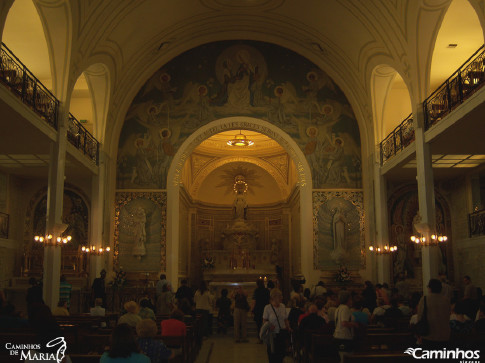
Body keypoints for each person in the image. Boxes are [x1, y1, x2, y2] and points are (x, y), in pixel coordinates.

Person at [417, 279, 450, 349]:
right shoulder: (446, 300)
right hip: (444, 335)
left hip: (429, 335)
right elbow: (448, 315)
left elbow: (419, 317)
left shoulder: (424, 299)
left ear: (430, 288)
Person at [262, 288, 289, 363]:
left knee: (281, 354)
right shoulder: (267, 308)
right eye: (280, 296)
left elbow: (285, 319)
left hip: (282, 333)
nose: (282, 298)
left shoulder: (283, 306)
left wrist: (288, 327)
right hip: (272, 335)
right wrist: (269, 326)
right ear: (274, 297)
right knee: (272, 354)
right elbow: (264, 320)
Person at [333, 290, 359, 363]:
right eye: (350, 299)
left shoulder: (338, 308)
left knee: (342, 359)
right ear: (348, 299)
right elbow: (344, 323)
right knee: (346, 359)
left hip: (338, 336)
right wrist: (354, 324)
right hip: (344, 337)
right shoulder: (345, 308)